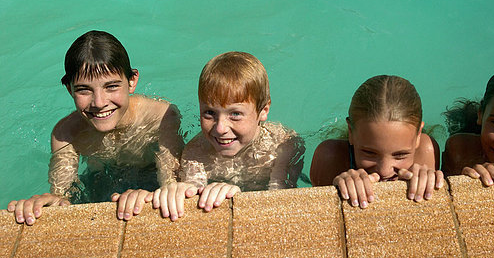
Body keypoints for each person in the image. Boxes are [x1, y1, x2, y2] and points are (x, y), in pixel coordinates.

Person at [7, 30, 183, 225]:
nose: (99, 103)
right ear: (69, 89)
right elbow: (63, 195)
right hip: (101, 180)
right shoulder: (66, 134)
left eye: (111, 87)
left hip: (150, 176)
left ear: (132, 81)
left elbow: (172, 184)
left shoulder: (161, 117)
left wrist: (153, 194)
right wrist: (51, 202)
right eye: (84, 90)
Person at [152, 51, 304, 221]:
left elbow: (279, 203)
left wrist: (238, 197)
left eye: (235, 114)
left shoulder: (283, 145)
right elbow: (191, 206)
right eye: (209, 113)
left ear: (263, 111)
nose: (220, 128)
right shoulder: (196, 153)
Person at [310, 75, 444, 208]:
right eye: (369, 153)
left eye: (400, 155)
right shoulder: (330, 157)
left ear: (418, 135)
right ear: (351, 131)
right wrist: (339, 190)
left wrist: (425, 182)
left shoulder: (426, 150)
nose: (384, 171)